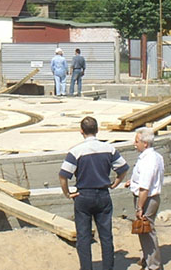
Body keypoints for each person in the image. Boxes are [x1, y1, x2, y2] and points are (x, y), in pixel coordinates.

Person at [59, 116, 129, 270]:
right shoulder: (109, 149)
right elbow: (123, 168)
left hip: (83, 196)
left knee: (83, 237)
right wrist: (115, 183)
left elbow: (63, 175)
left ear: (81, 131)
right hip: (103, 195)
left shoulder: (76, 151)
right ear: (97, 130)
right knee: (106, 236)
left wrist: (67, 193)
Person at [126, 127, 165, 270]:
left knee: (147, 231)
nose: (134, 144)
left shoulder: (148, 160)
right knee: (144, 231)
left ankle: (153, 266)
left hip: (146, 199)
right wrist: (133, 182)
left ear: (145, 144)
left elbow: (145, 187)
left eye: (137, 141)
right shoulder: (155, 157)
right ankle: (147, 259)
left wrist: (139, 207)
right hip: (149, 198)